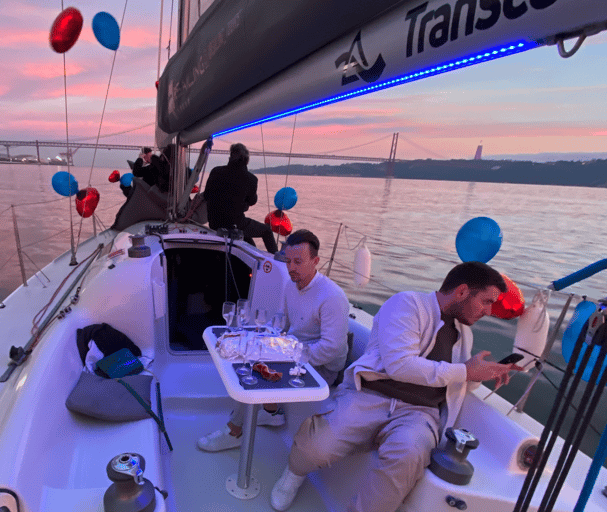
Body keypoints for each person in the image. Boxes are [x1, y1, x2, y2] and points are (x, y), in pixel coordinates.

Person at [270, 261, 521, 512]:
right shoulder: (408, 304)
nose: (488, 310)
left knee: (409, 456)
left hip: (419, 413)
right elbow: (399, 365)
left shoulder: (464, 333)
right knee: (318, 446)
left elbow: (456, 379)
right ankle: (293, 474)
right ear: (463, 291)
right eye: (487, 301)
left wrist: (479, 374)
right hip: (370, 395)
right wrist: (465, 370)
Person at [197, 229, 350, 451]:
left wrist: (288, 356)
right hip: (293, 351)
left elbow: (332, 349)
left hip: (322, 367)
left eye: (298, 262)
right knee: (247, 353)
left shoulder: (332, 297)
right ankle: (272, 412)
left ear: (315, 261)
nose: (291, 268)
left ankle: (235, 430)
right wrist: (261, 341)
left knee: (253, 372)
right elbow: (283, 324)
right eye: (288, 261)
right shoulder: (291, 284)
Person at [203, 143, 278, 254]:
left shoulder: (215, 171)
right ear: (246, 160)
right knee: (267, 231)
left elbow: (206, 195)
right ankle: (277, 262)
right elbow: (252, 201)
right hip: (235, 223)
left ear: (230, 157)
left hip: (214, 223)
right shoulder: (251, 179)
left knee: (248, 240)